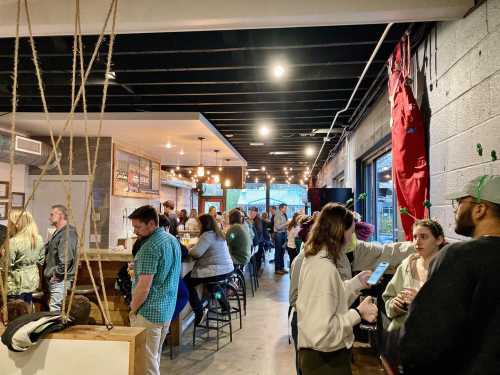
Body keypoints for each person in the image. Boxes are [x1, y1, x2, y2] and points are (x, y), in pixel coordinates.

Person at [400, 175, 500, 375]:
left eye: (460, 202)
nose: (455, 209)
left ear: (480, 209)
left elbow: (425, 339)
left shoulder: (459, 256)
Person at [296, 203, 377, 375]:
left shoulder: (316, 258)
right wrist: (358, 312)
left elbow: (329, 299)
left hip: (319, 357)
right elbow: (324, 333)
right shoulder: (324, 268)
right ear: (340, 232)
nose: (352, 237)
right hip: (325, 360)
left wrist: (356, 283)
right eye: (351, 231)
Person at [128, 205, 181, 375]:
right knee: (153, 358)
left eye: (138, 227)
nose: (135, 231)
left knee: (146, 365)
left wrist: (133, 309)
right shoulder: (171, 239)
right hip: (166, 309)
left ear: (151, 224)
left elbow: (144, 288)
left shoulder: (150, 248)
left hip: (149, 311)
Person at [382, 219, 445, 332]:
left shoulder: (447, 268)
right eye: (415, 237)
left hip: (433, 336)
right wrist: (395, 305)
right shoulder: (407, 265)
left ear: (439, 240)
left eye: (423, 237)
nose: (417, 241)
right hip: (402, 334)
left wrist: (420, 302)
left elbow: (452, 310)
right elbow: (388, 298)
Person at [185, 214, 234, 325]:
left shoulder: (207, 235)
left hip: (216, 270)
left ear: (203, 224)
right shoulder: (218, 234)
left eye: (198, 224)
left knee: (186, 283)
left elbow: (196, 253)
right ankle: (225, 306)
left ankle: (199, 310)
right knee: (212, 285)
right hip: (227, 269)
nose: (197, 226)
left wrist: (189, 249)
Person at [5, 209, 44, 305]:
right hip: (31, 281)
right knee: (27, 309)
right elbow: (41, 260)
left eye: (10, 222)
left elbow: (6, 264)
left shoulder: (14, 241)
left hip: (16, 283)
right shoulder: (38, 239)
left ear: (17, 224)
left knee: (16, 312)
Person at [44, 205, 78, 312]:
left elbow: (66, 258)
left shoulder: (67, 233)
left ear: (61, 215)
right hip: (56, 279)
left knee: (56, 312)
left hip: (60, 280)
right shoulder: (58, 232)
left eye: (52, 214)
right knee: (55, 310)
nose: (49, 217)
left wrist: (57, 274)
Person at [273, 203, 288, 274]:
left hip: (283, 234)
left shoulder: (284, 215)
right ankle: (277, 269)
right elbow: (278, 227)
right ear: (281, 208)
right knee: (278, 252)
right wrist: (286, 224)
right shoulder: (277, 215)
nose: (286, 209)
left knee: (282, 252)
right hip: (278, 234)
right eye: (285, 208)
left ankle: (282, 267)